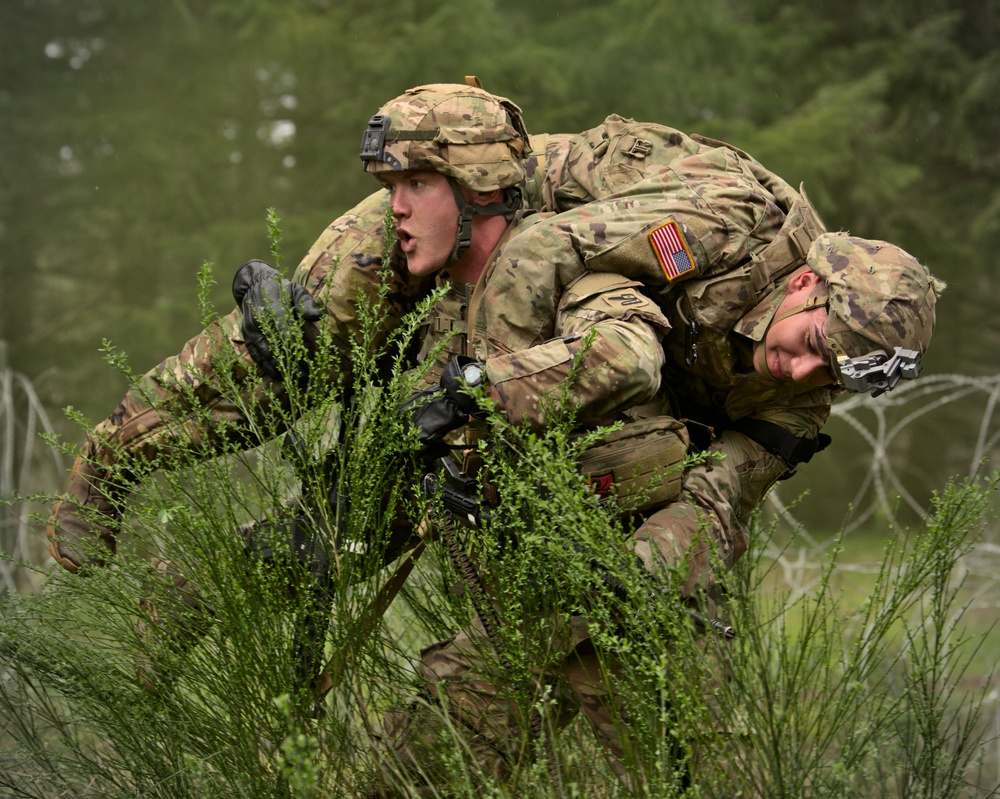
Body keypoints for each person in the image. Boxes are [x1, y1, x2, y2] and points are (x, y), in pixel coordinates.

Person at [45, 79, 942, 790]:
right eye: (813, 347)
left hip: (579, 337)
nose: (802, 374)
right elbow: (539, 252)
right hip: (491, 209)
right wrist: (480, 417)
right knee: (301, 356)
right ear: (804, 290)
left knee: (400, 513)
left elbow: (716, 500)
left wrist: (620, 571)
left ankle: (222, 584)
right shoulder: (726, 222)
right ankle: (115, 458)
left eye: (835, 377)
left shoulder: (799, 397)